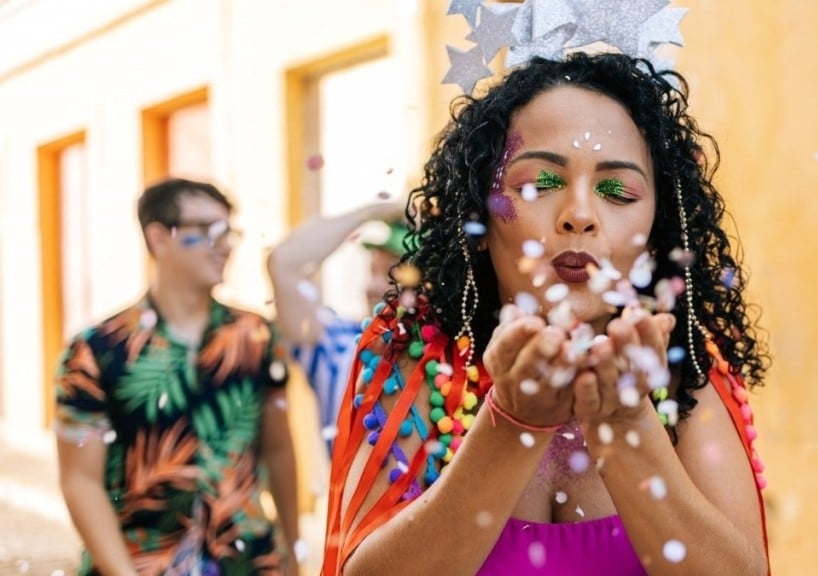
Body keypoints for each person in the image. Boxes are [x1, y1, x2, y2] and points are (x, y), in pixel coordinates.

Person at [319, 48, 772, 575]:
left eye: (618, 192)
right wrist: (511, 423)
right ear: (480, 221)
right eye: (538, 185)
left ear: (654, 238)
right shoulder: (413, 356)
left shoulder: (686, 371)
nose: (579, 215)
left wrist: (625, 424)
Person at [54, 178, 301, 575]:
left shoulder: (256, 336)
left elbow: (278, 449)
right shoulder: (96, 350)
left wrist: (293, 552)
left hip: (249, 561)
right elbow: (80, 481)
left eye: (229, 231)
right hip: (142, 562)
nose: (225, 244)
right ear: (159, 238)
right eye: (207, 231)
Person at [268, 201, 409, 454]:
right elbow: (283, 262)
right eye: (372, 272)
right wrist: (371, 212)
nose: (373, 286)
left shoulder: (454, 354)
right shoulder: (337, 345)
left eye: (392, 277)